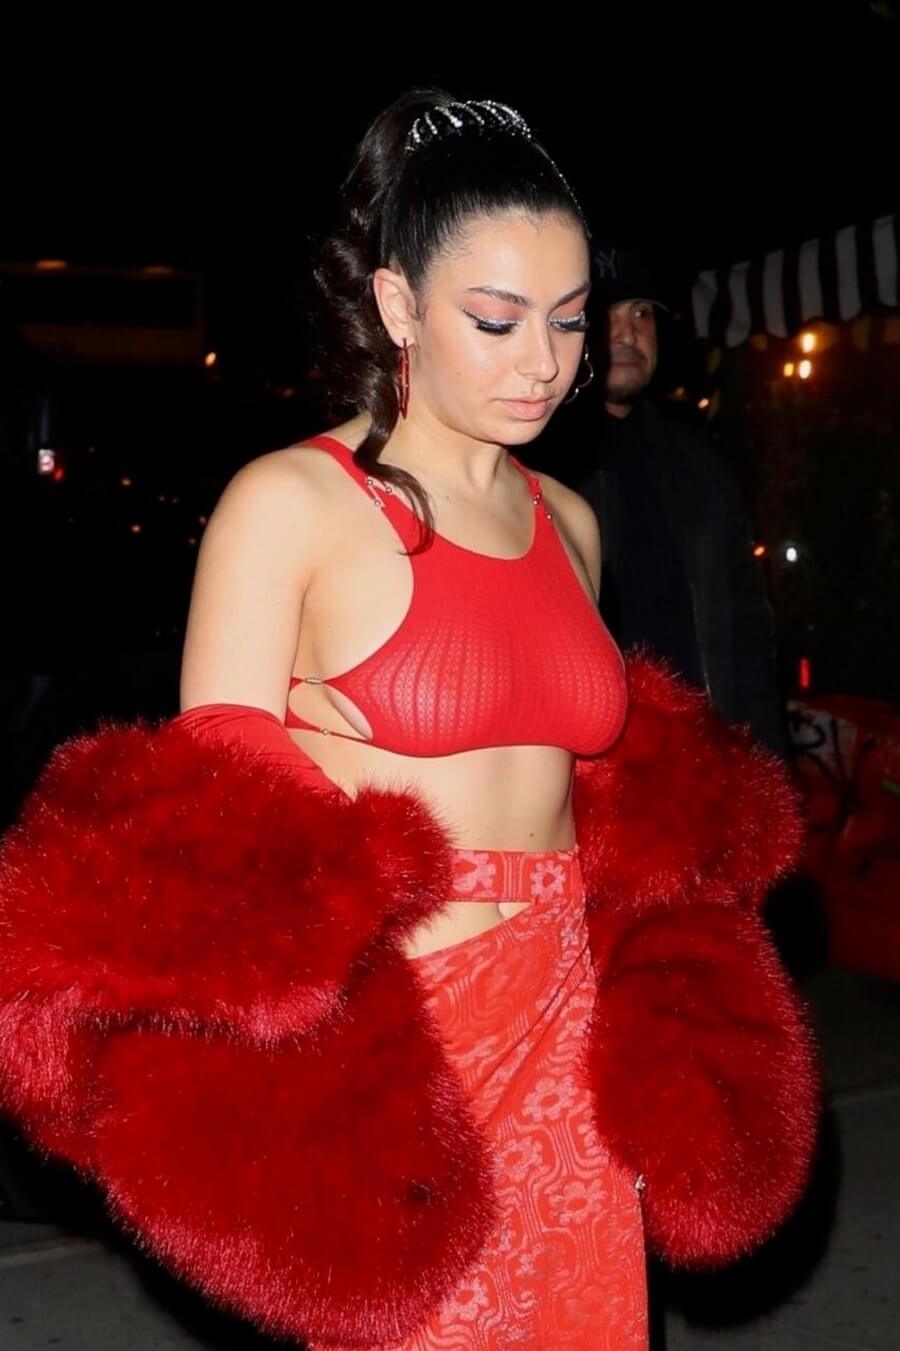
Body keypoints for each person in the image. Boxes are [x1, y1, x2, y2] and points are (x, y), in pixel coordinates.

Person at [0, 92, 817, 1350]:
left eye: (567, 320)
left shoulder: (571, 522)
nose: (543, 362)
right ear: (396, 305)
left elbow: (612, 800)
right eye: (496, 320)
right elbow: (211, 829)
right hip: (409, 1049)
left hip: (569, 1024)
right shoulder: (290, 504)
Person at [544, 244, 786, 756]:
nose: (627, 333)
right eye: (606, 314)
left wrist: (765, 763)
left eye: (641, 314)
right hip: (592, 772)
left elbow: (747, 627)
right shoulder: (539, 465)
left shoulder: (701, 464)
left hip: (705, 762)